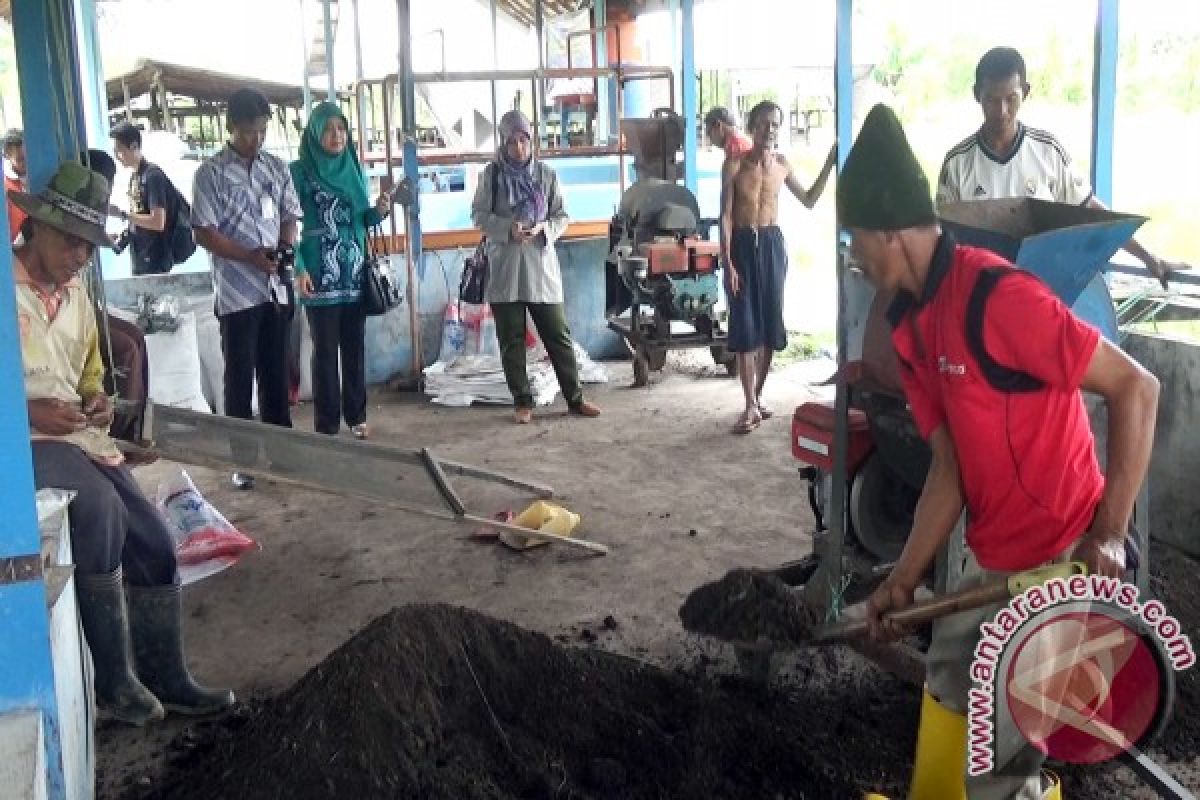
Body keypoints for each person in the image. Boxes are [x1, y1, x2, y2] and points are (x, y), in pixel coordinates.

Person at [840, 104, 1159, 798]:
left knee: (997, 761)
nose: (853, 256)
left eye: (855, 239)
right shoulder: (911, 327)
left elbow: (1137, 389)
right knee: (951, 685)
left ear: (890, 233)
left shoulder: (998, 298)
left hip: (1064, 553)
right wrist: (902, 578)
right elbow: (949, 470)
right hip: (996, 557)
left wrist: (1108, 534)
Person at [13, 161, 234, 726]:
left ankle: (168, 677)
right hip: (22, 439)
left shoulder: (77, 296)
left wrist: (98, 400)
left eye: (89, 248)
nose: (80, 257)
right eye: (70, 242)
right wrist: (26, 407)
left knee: (156, 540)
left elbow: (90, 372)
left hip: (79, 436)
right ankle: (112, 680)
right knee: (100, 508)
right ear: (36, 228)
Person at [937, 46, 1191, 287]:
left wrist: (1147, 257)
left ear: (1025, 92)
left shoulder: (1047, 151)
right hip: (980, 293)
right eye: (992, 100)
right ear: (976, 95)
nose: (1002, 111)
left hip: (1041, 291)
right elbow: (941, 236)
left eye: (1011, 99)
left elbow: (1089, 211)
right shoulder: (958, 163)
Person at [192, 88, 302, 489]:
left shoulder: (276, 168)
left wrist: (285, 247)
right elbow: (204, 232)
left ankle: (282, 452)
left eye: (261, 131)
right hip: (237, 292)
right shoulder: (211, 173)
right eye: (248, 132)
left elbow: (291, 215)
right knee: (240, 377)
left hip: (274, 287)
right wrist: (247, 256)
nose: (256, 139)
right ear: (231, 127)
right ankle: (244, 461)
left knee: (276, 372)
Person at [470, 109, 601, 425]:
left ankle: (575, 397)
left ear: (532, 140)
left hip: (541, 266)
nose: (518, 148)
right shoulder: (492, 176)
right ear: (502, 143)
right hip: (506, 267)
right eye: (512, 141)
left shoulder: (546, 175)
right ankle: (522, 401)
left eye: (523, 140)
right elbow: (478, 215)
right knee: (511, 339)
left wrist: (544, 229)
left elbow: (562, 216)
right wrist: (507, 229)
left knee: (557, 333)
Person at [719, 100, 836, 434]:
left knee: (771, 324)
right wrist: (728, 263)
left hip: (771, 245)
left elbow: (810, 199)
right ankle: (749, 405)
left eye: (775, 125)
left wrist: (829, 164)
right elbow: (726, 215)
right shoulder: (735, 165)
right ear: (752, 126)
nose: (770, 130)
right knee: (744, 326)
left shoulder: (782, 165)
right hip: (742, 243)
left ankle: (756, 398)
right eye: (764, 124)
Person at [289, 102, 392, 439]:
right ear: (316, 133)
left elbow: (363, 218)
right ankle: (327, 424)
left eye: (341, 129)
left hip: (355, 272)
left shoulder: (354, 167)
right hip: (319, 274)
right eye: (329, 129)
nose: (336, 136)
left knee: (354, 347)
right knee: (324, 352)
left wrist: (379, 210)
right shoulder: (300, 171)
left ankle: (357, 416)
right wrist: (299, 267)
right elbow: (288, 224)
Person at [109, 121, 177, 275]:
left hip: (155, 259)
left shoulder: (153, 176)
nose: (117, 157)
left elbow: (157, 222)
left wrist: (122, 214)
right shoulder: (136, 177)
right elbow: (139, 219)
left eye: (119, 150)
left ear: (133, 146)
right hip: (141, 255)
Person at [5, 128, 28, 242]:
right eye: (20, 160)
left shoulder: (39, 177)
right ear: (8, 155)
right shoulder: (5, 187)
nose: (26, 163)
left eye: (28, 157)